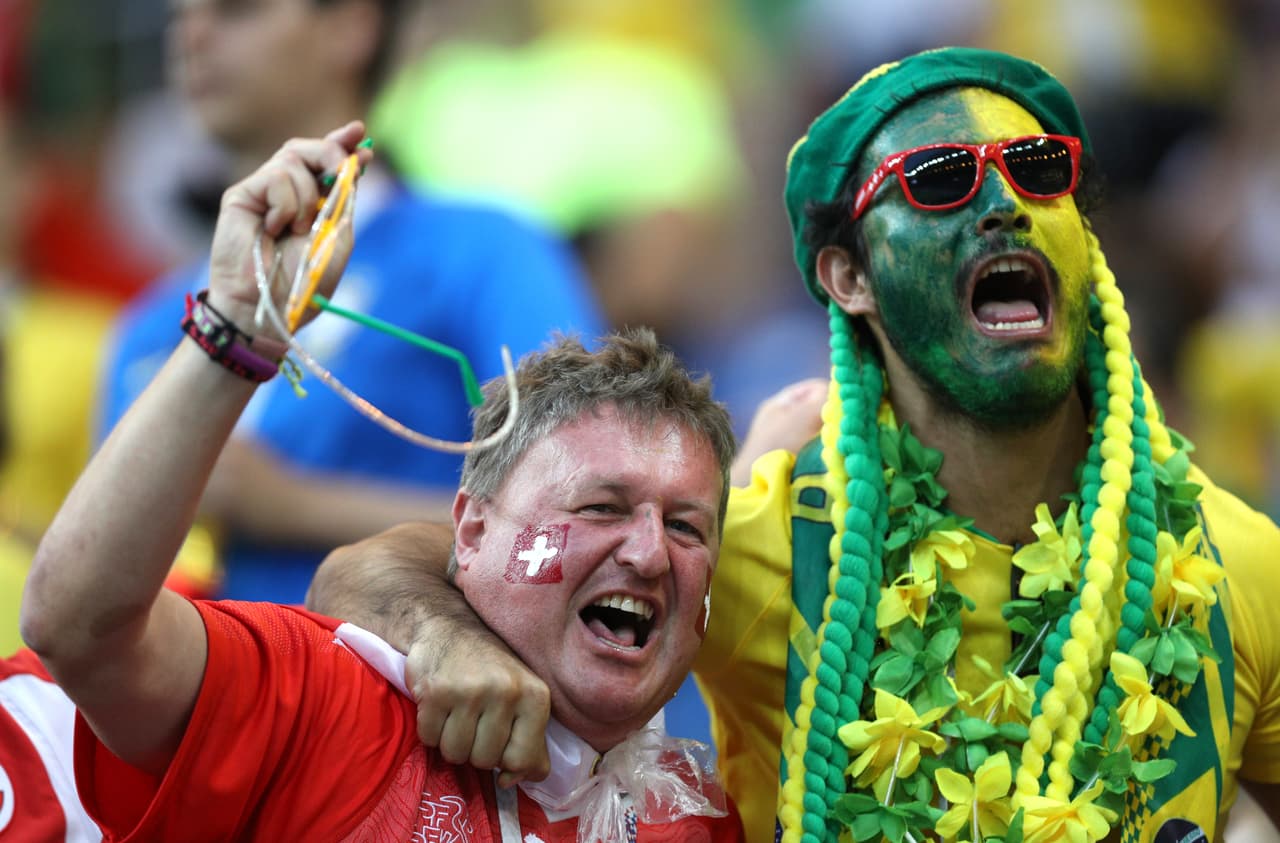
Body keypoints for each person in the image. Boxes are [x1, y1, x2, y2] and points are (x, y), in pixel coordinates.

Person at [312, 47, 1280, 842]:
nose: (1005, 205)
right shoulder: (745, 543)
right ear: (846, 278)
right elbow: (368, 572)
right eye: (941, 182)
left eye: (1037, 171)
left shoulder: (1237, 564)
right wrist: (443, 636)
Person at [19, 123, 743, 840]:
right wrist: (237, 327)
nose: (650, 553)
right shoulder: (330, 701)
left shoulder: (694, 819)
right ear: (472, 528)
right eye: (601, 506)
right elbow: (80, 628)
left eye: (686, 525)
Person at [99, 0, 605, 603]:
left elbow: (591, 519)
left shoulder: (483, 253)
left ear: (351, 25)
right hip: (200, 692)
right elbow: (96, 602)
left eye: (236, 10)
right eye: (178, 14)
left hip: (418, 686)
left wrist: (291, 504)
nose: (190, 36)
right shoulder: (152, 327)